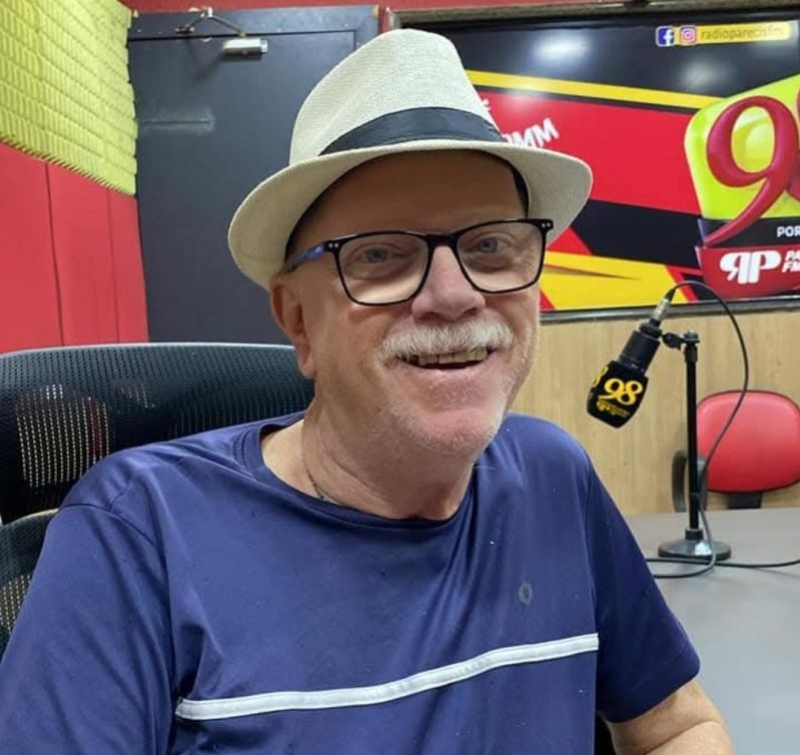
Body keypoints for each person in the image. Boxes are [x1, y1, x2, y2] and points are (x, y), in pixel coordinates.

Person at [0, 29, 731, 754]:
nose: (454, 295)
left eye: (491, 246)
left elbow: (678, 726)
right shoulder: (137, 532)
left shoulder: (553, 477)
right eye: (381, 255)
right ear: (297, 319)